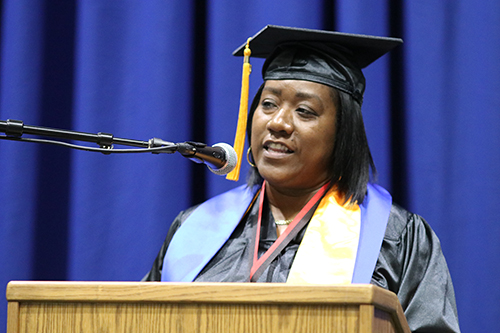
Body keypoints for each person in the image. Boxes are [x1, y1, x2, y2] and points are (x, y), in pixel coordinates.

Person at [143, 25, 460, 332]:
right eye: (269, 104)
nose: (278, 122)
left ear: (342, 133)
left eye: (305, 111)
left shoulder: (397, 239)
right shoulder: (195, 228)